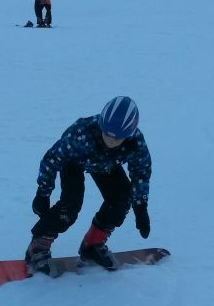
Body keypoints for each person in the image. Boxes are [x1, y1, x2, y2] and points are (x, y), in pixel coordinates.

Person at [26, 96, 152, 277]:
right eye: (107, 133)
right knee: (70, 205)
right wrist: (43, 193)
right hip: (75, 160)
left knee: (121, 198)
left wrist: (140, 208)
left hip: (107, 164)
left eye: (118, 139)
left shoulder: (135, 143)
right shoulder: (81, 133)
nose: (111, 140)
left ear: (129, 134)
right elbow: (52, 159)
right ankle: (38, 246)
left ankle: (93, 244)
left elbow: (141, 172)